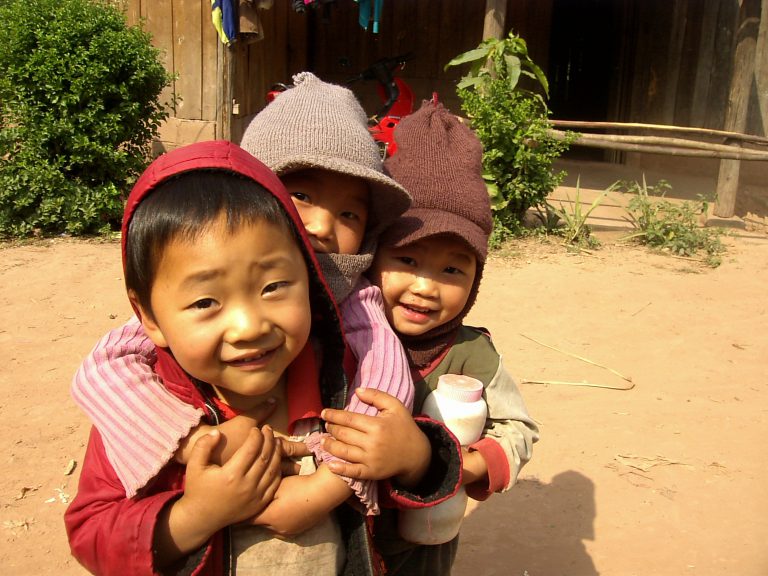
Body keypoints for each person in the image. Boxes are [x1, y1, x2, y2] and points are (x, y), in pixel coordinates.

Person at [65, 141, 459, 576]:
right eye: (205, 301)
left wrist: (417, 457)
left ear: (309, 280)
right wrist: (196, 515)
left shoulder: (344, 380)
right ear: (149, 318)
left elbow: (390, 491)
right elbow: (92, 532)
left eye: (273, 287)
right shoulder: (143, 410)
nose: (249, 326)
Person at [69, 72, 425, 515]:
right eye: (301, 195)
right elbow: (104, 368)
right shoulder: (179, 304)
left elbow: (383, 378)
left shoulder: (355, 292)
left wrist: (336, 478)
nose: (322, 227)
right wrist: (195, 440)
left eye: (350, 212)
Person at [321, 101, 540, 575]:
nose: (425, 286)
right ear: (375, 254)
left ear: (476, 277)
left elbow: (518, 431)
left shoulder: (470, 353)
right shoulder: (343, 330)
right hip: (335, 525)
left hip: (423, 543)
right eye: (407, 261)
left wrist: (455, 465)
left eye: (452, 269)